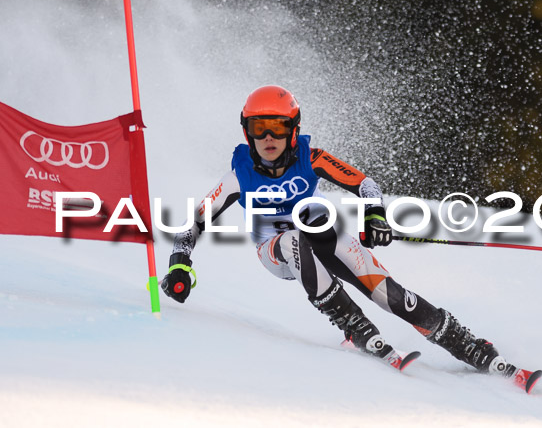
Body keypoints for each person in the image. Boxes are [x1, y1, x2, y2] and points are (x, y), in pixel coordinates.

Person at [161, 85, 514, 376]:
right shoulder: (238, 177)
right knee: (296, 236)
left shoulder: (311, 158)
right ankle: (354, 325)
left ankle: (461, 341)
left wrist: (374, 216)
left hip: (319, 237)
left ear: (293, 129)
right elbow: (194, 222)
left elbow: (366, 183)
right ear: (247, 132)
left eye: (278, 127)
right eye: (258, 128)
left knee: (381, 287)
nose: (269, 136)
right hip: (276, 252)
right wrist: (180, 263)